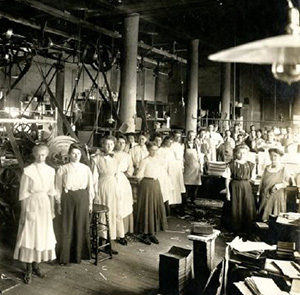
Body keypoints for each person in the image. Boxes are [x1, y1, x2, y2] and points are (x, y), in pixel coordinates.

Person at [14, 145, 56, 284]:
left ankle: (37, 266)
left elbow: (51, 192)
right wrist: (25, 212)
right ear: (33, 154)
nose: (40, 157)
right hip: (32, 204)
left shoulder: (50, 171)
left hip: (44, 204)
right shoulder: (28, 171)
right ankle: (28, 270)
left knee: (41, 236)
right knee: (30, 236)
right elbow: (23, 194)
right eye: (38, 154)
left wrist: (52, 210)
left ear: (47, 155)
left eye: (43, 155)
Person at [56, 143, 94, 264]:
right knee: (67, 226)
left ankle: (79, 255)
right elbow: (57, 188)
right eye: (73, 153)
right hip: (67, 198)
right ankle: (65, 257)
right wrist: (58, 203)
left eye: (78, 153)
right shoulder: (63, 168)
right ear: (69, 154)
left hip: (82, 197)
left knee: (81, 225)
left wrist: (90, 203)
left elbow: (90, 187)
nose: (76, 156)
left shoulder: (86, 169)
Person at [92, 136, 124, 252]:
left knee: (113, 213)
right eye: (107, 144)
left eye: (111, 144)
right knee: (102, 215)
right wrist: (95, 193)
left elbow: (118, 176)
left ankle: (109, 241)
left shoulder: (116, 159)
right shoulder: (96, 159)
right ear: (103, 145)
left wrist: (119, 191)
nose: (109, 146)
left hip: (113, 187)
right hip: (102, 186)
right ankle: (101, 240)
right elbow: (94, 177)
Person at [135, 142, 168, 245]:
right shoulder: (145, 161)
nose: (154, 152)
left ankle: (152, 233)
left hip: (156, 185)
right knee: (147, 208)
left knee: (154, 208)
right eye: (152, 150)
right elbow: (139, 176)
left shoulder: (159, 160)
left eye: (156, 150)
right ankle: (144, 234)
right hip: (146, 185)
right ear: (148, 150)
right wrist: (144, 187)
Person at [222, 145, 256, 236]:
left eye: (244, 153)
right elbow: (227, 179)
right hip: (234, 186)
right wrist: (228, 192)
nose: (242, 155)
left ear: (247, 154)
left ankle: (245, 228)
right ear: (236, 153)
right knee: (234, 206)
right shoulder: (231, 164)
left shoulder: (251, 165)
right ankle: (234, 228)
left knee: (246, 206)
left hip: (246, 187)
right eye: (239, 153)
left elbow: (252, 178)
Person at [258, 148, 291, 221]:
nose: (273, 157)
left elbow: (287, 182)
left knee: (275, 213)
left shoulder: (283, 169)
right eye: (271, 155)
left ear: (279, 157)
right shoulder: (267, 168)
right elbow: (262, 181)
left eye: (275, 156)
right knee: (264, 212)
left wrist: (278, 186)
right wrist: (260, 191)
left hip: (277, 194)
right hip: (266, 194)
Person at [114, 135, 134, 242]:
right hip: (112, 179)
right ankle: (112, 232)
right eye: (119, 142)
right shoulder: (111, 154)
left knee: (123, 206)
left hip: (122, 180)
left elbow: (130, 169)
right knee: (114, 205)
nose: (121, 145)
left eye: (123, 143)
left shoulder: (127, 156)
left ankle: (121, 232)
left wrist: (123, 175)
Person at [183, 130, 203, 206]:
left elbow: (199, 156)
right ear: (187, 136)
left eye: (193, 135)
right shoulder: (184, 144)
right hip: (187, 166)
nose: (191, 137)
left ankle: (193, 199)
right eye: (190, 135)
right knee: (186, 184)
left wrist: (201, 166)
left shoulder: (196, 144)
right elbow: (182, 155)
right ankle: (185, 200)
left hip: (195, 166)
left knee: (195, 184)